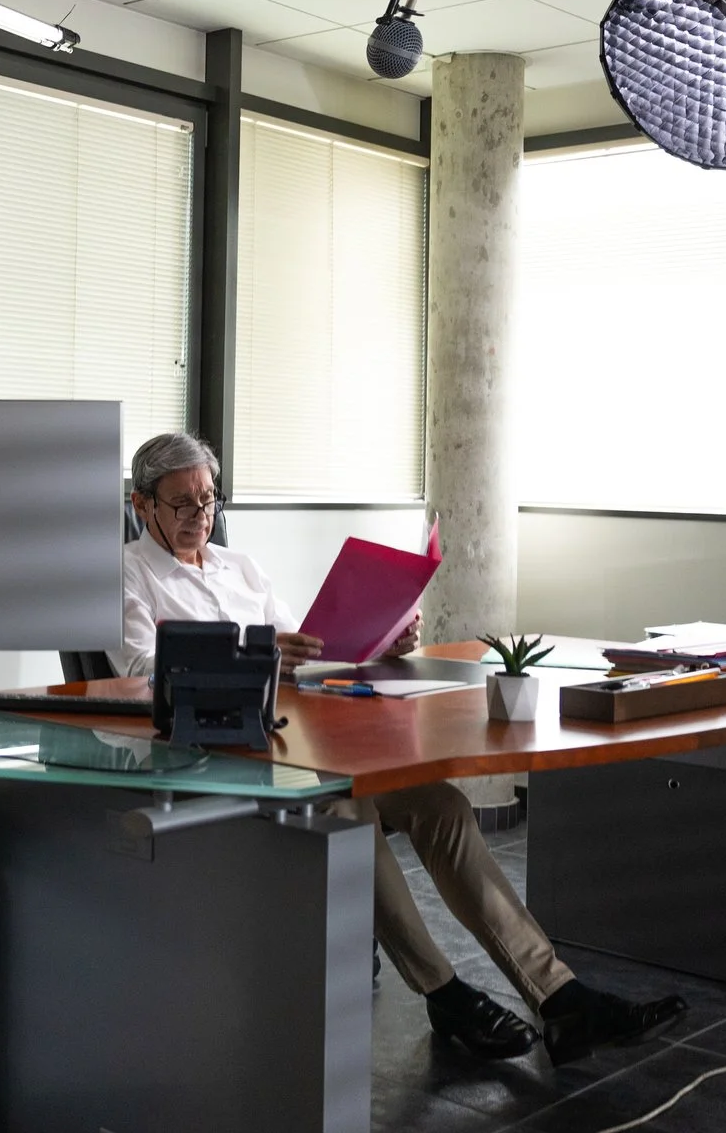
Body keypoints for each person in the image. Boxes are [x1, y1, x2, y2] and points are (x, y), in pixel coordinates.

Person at [118, 431, 686, 1067]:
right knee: (351, 807)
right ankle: (442, 990)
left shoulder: (239, 567)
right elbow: (140, 671)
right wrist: (256, 651)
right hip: (223, 758)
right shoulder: (127, 576)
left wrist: (373, 641)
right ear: (143, 506)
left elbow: (305, 652)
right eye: (182, 505)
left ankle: (558, 996)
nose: (201, 517)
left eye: (209, 501)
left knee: (442, 807)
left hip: (298, 740)